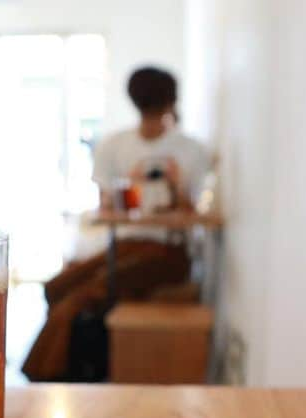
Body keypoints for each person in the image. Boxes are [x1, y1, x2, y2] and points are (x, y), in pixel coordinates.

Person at [23, 67, 209, 382]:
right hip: (124, 243)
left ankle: (49, 374)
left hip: (168, 250)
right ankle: (72, 358)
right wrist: (131, 188)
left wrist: (174, 188)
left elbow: (191, 209)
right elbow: (107, 203)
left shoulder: (189, 150)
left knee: (80, 297)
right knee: (56, 286)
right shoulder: (116, 146)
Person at [92, 67, 212, 211]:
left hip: (173, 233)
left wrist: (175, 187)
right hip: (131, 233)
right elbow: (105, 207)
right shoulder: (193, 149)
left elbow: (195, 208)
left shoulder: (111, 145)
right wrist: (129, 186)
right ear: (171, 102)